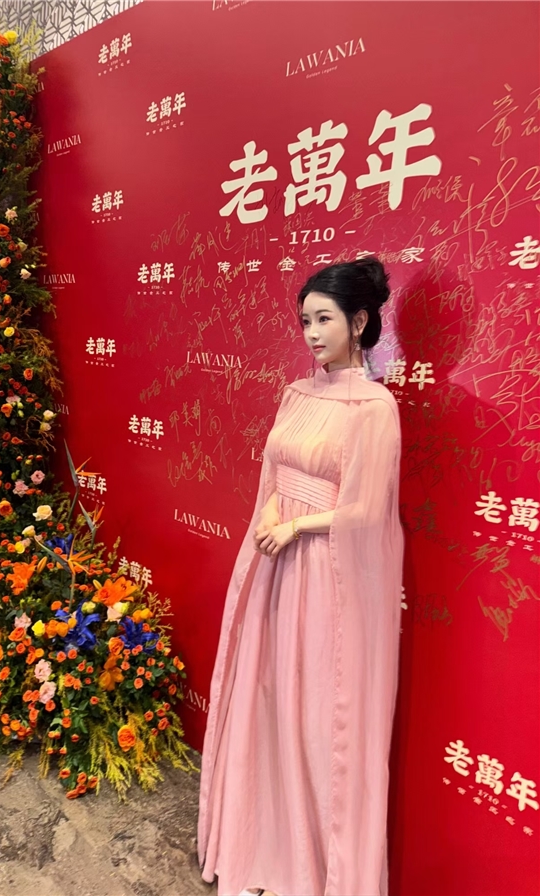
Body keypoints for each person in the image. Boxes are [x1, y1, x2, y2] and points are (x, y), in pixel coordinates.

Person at [197, 257, 405, 896]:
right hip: (274, 564)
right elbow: (274, 470)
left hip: (325, 576)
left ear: (359, 322)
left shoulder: (374, 407)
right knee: (266, 701)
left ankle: (307, 871)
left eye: (324, 319)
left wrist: (295, 528)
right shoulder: (297, 393)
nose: (312, 333)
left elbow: (366, 510)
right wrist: (270, 514)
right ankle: (258, 849)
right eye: (305, 321)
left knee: (315, 715)